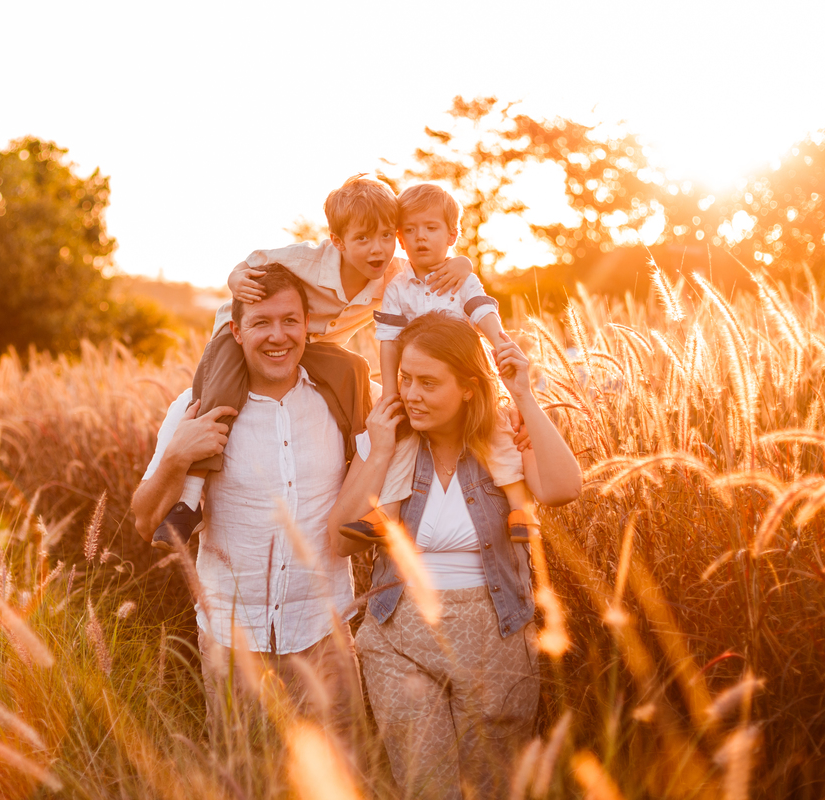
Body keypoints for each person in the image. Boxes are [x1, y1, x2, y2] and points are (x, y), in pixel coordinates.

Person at [327, 312, 582, 799]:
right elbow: (341, 540)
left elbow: (564, 488)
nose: (412, 394)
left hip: (497, 640)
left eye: (428, 382)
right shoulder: (389, 440)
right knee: (428, 787)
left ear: (468, 387)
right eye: (405, 379)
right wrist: (379, 451)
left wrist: (524, 394)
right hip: (399, 638)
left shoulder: (504, 437)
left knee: (491, 788)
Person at [155, 175, 474, 545]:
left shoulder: (396, 275)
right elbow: (249, 263)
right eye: (363, 239)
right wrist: (235, 279)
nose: (378, 249)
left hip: (308, 348)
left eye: (387, 235)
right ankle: (190, 501)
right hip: (249, 335)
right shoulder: (306, 259)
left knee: (354, 368)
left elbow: (438, 271)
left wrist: (463, 263)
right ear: (337, 241)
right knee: (222, 388)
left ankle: (360, 466)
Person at [131, 264, 371, 744]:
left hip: (325, 637)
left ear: (308, 326)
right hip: (232, 643)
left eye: (289, 320)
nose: (278, 336)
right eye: (262, 322)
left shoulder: (341, 399)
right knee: (247, 780)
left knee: (347, 780)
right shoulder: (193, 407)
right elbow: (143, 521)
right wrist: (178, 455)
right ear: (235, 332)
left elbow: (424, 408)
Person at [341, 183, 534, 546]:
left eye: (430, 228)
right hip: (420, 385)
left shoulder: (461, 277)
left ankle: (520, 508)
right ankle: (389, 514)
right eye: (409, 231)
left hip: (468, 378)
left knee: (495, 434)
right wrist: (393, 391)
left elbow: (481, 309)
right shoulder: (397, 287)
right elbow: (388, 338)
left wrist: (501, 343)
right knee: (403, 442)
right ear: (400, 238)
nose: (420, 238)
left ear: (452, 234)